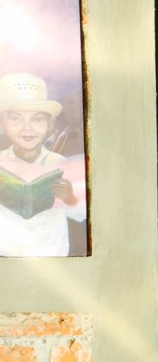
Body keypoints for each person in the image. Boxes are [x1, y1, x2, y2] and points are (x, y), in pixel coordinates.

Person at [0, 73, 86, 257]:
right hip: (6, 260)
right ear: (2, 123)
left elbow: (82, 214)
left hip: (52, 258)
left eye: (37, 119)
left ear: (50, 124)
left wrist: (70, 199)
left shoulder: (63, 164)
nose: (27, 127)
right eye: (16, 118)